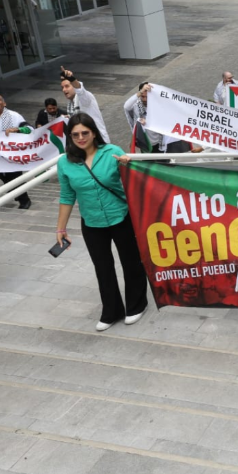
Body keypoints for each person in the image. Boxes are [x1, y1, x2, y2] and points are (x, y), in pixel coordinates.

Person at [55, 113, 149, 331]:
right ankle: (112, 310)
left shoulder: (112, 152)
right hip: (92, 222)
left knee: (131, 262)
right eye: (75, 134)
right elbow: (67, 196)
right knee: (103, 267)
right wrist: (61, 228)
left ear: (94, 132)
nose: (80, 138)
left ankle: (137, 305)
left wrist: (129, 166)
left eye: (85, 133)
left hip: (121, 216)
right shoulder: (65, 163)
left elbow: (135, 182)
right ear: (70, 136)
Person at [60, 68, 110, 143]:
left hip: (98, 142)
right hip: (84, 144)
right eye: (62, 87)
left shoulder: (85, 98)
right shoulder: (71, 104)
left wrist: (72, 79)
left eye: (67, 86)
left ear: (73, 86)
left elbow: (80, 90)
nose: (64, 90)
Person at [0, 94, 32, 209]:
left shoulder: (14, 116)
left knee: (15, 180)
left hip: (10, 156)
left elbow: (30, 129)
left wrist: (18, 129)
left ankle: (24, 201)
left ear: (4, 103)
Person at [123, 82, 163, 152]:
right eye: (143, 96)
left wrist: (147, 122)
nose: (145, 99)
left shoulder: (158, 105)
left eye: (147, 97)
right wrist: (141, 91)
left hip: (159, 142)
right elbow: (126, 106)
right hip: (145, 143)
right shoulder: (136, 105)